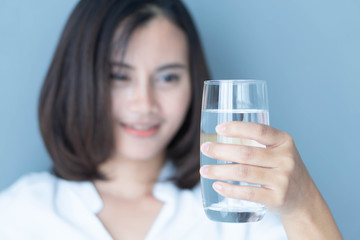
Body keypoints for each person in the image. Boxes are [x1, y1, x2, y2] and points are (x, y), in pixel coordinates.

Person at [0, 0, 342, 239]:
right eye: (119, 76)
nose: (144, 103)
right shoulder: (20, 212)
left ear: (193, 85)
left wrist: (302, 203)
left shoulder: (238, 210)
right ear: (79, 80)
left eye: (167, 78)